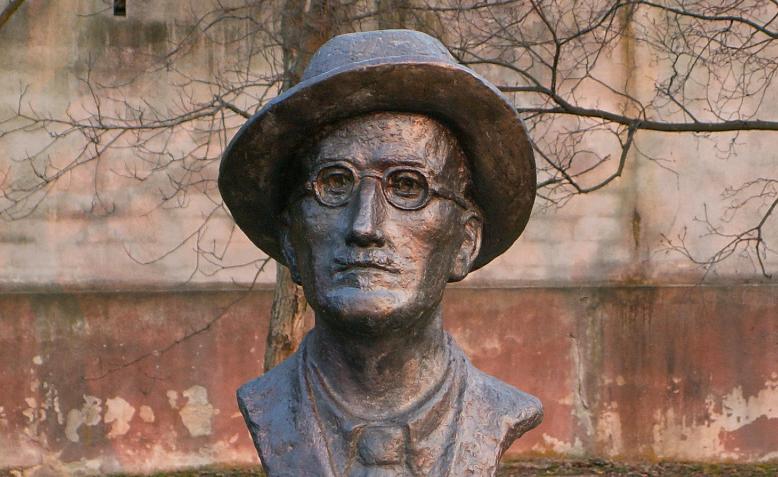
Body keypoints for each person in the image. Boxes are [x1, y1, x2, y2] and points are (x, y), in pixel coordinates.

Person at [219, 29, 541, 477]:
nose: (364, 226)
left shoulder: (499, 411)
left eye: (408, 186)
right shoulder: (265, 406)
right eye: (334, 184)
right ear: (292, 241)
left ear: (464, 243)